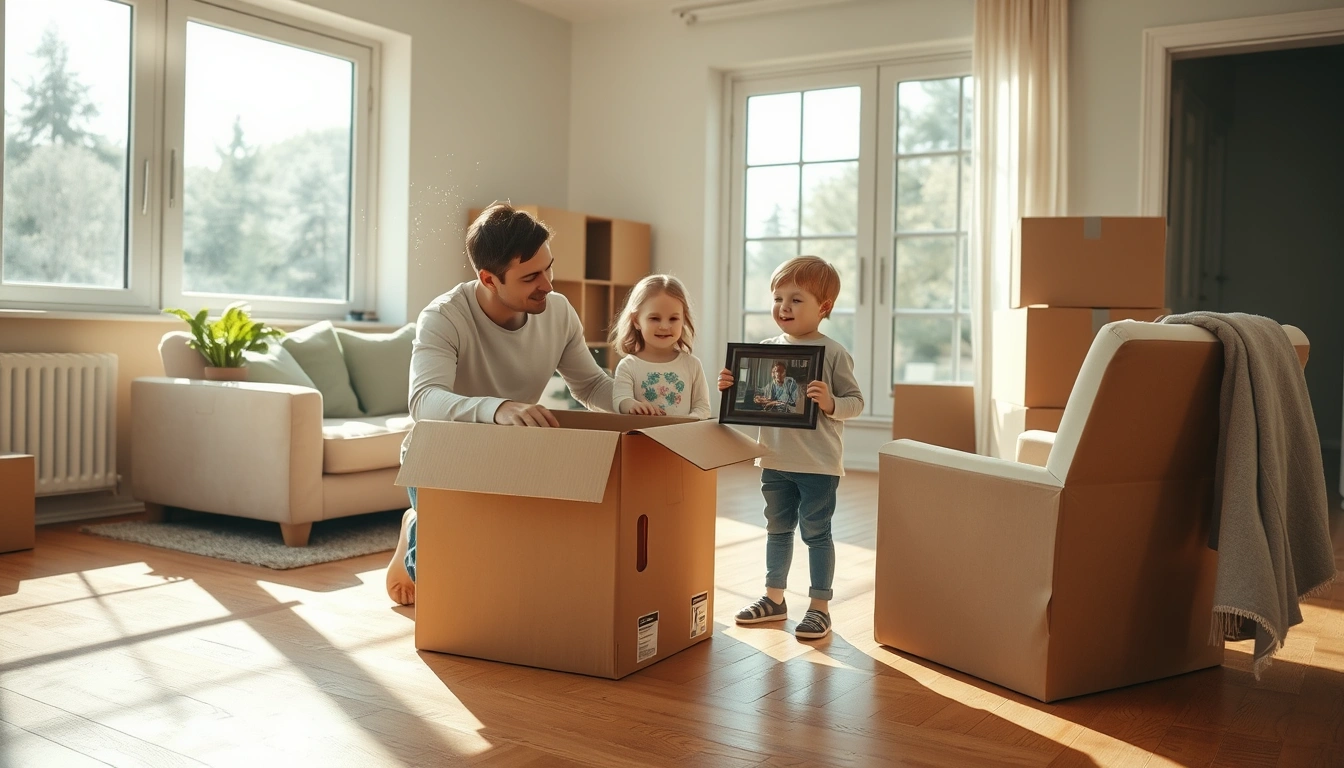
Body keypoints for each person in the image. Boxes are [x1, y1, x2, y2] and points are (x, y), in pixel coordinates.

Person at [385, 202, 615, 605]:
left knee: (508, 573)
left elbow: (592, 384)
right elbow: (423, 401)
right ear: (488, 279)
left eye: (549, 268)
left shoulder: (557, 311)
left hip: (511, 453)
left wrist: (638, 404)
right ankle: (418, 523)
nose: (547, 285)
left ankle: (418, 521)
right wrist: (499, 408)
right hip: (442, 455)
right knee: (443, 590)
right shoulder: (444, 317)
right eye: (530, 277)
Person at [717, 255, 864, 640]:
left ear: (824, 307)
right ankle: (774, 598)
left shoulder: (832, 353)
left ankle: (819, 607)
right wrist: (732, 389)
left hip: (818, 464)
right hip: (774, 459)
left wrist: (831, 403)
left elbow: (856, 402)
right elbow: (752, 399)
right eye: (778, 297)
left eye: (796, 299)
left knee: (817, 533)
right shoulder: (765, 350)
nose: (784, 307)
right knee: (776, 529)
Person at [610, 274, 711, 418]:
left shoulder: (693, 365)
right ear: (636, 321)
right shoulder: (628, 366)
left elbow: (702, 408)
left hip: (682, 439)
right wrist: (631, 405)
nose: (664, 326)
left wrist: (683, 425)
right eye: (655, 318)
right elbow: (620, 400)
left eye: (673, 319)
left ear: (683, 319)